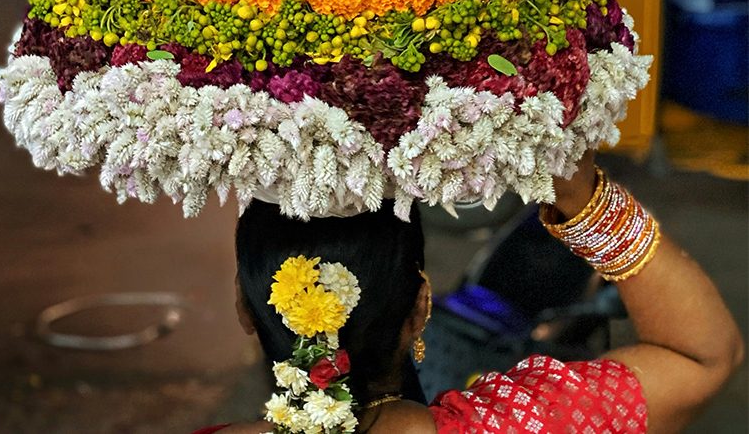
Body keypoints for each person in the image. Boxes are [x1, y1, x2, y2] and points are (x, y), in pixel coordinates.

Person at [194, 152, 744, 433]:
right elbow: (699, 356)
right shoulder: (529, 424)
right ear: (421, 306)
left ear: (246, 308)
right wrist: (582, 197)